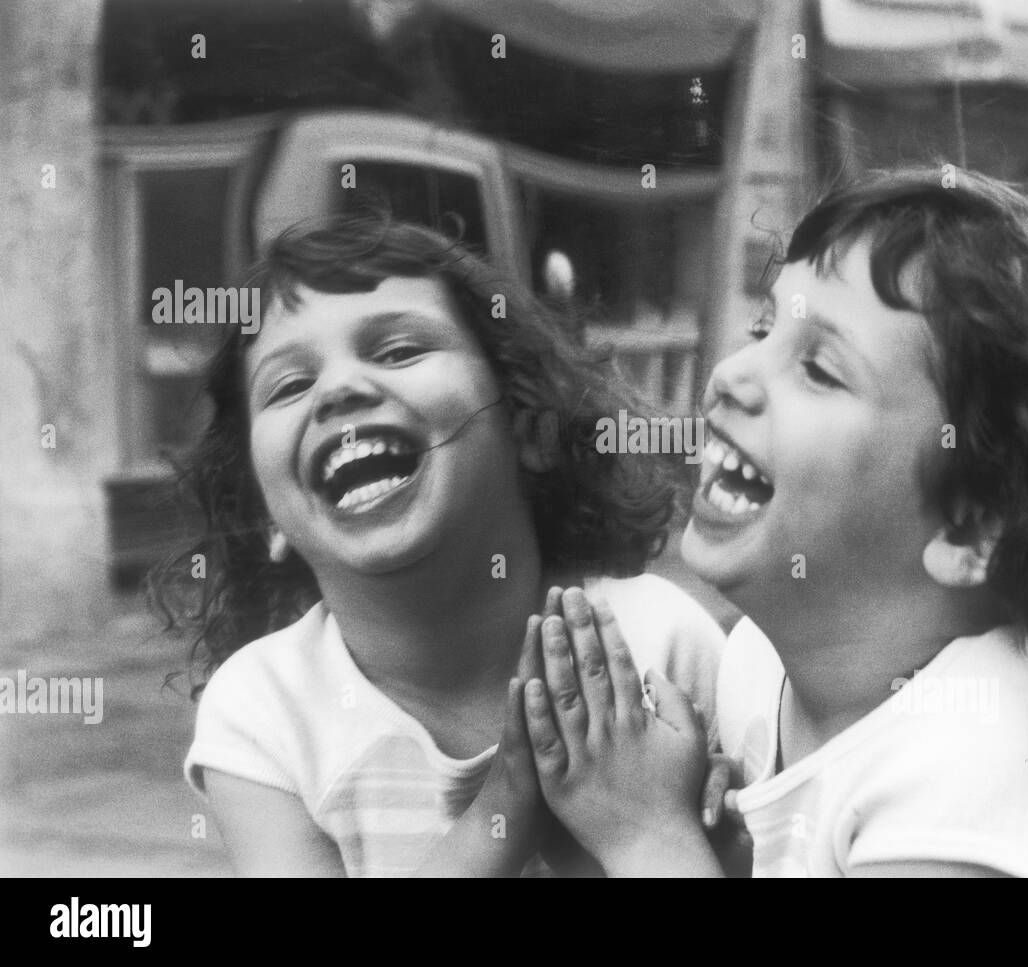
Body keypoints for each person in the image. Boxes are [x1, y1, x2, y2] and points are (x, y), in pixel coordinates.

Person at [520, 167, 1028, 877]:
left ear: (967, 527)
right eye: (765, 330)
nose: (731, 376)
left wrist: (650, 838)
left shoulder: (976, 773)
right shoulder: (759, 667)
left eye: (819, 369)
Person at [151, 212, 725, 876]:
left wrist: (701, 825)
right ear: (264, 515)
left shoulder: (658, 641)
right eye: (289, 385)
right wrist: (505, 807)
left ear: (531, 428)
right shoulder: (265, 711)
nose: (338, 389)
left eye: (397, 350)